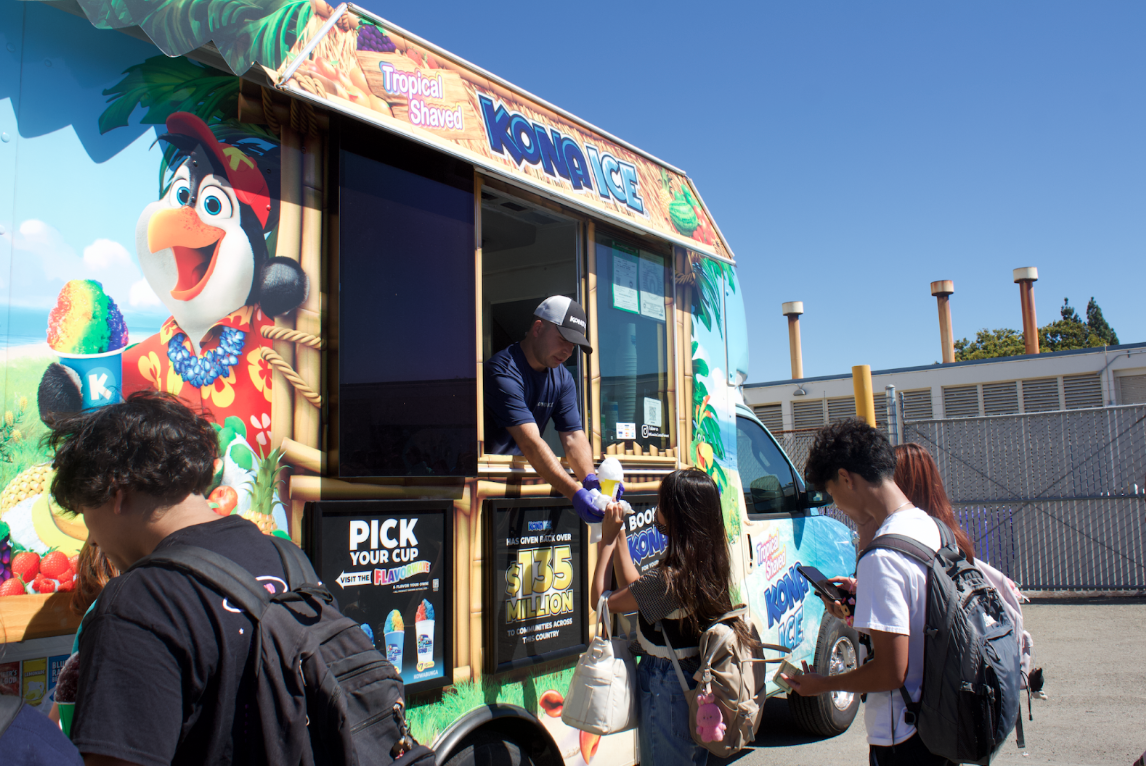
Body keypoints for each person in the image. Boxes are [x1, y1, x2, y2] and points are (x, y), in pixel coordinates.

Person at [47, 391, 295, 766]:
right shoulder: (289, 561)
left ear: (116, 492)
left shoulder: (135, 605)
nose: (92, 536)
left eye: (85, 511)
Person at [783, 420, 954, 766]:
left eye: (833, 493)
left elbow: (891, 672)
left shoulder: (883, 557)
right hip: (943, 720)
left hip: (904, 736)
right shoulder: (931, 527)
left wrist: (823, 684)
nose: (836, 505)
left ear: (846, 478)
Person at [590, 469, 753, 766]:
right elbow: (638, 593)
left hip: (667, 684)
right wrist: (622, 536)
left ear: (678, 515)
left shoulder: (670, 579)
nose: (656, 510)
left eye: (661, 504)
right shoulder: (706, 564)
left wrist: (607, 541)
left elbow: (603, 602)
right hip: (692, 677)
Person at [486, 296, 606, 523]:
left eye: (574, 345)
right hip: (490, 486)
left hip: (526, 482)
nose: (568, 351)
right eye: (563, 339)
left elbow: (573, 436)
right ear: (538, 328)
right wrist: (576, 493)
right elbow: (530, 443)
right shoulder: (501, 370)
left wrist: (591, 480)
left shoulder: (563, 378)